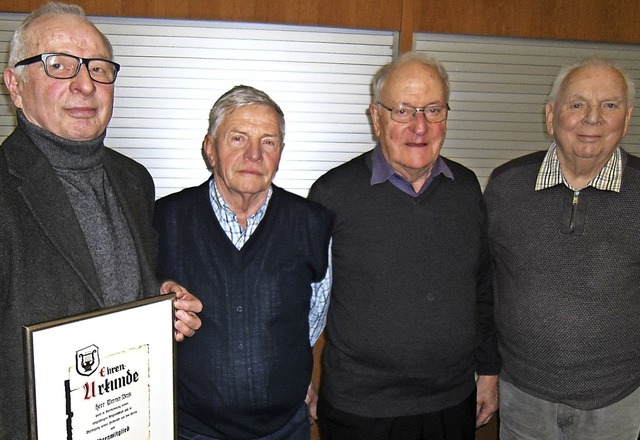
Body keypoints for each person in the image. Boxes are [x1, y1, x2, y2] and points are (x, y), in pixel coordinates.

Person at [0, 4, 202, 439]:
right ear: (15, 85)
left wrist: (158, 298)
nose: (85, 84)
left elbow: (107, 281)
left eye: (98, 68)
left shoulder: (134, 179)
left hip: (132, 421)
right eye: (59, 65)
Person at [308, 51, 500, 439]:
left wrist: (490, 370)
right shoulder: (332, 194)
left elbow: (482, 286)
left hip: (450, 401)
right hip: (361, 408)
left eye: (433, 110)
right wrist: (298, 376)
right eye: (403, 111)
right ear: (376, 116)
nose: (420, 126)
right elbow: (302, 298)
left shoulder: (466, 189)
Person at [153, 84, 333, 440]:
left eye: (268, 141)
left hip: (285, 429)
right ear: (210, 149)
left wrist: (284, 373)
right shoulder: (161, 220)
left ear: (281, 152)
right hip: (192, 430)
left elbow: (314, 314)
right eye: (238, 139)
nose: (254, 155)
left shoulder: (312, 222)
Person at [485, 57, 640, 439]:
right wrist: (486, 371)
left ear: (628, 116)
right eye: (577, 104)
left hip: (617, 403)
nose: (592, 118)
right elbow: (482, 286)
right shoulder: (506, 186)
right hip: (522, 397)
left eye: (609, 105)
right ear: (551, 115)